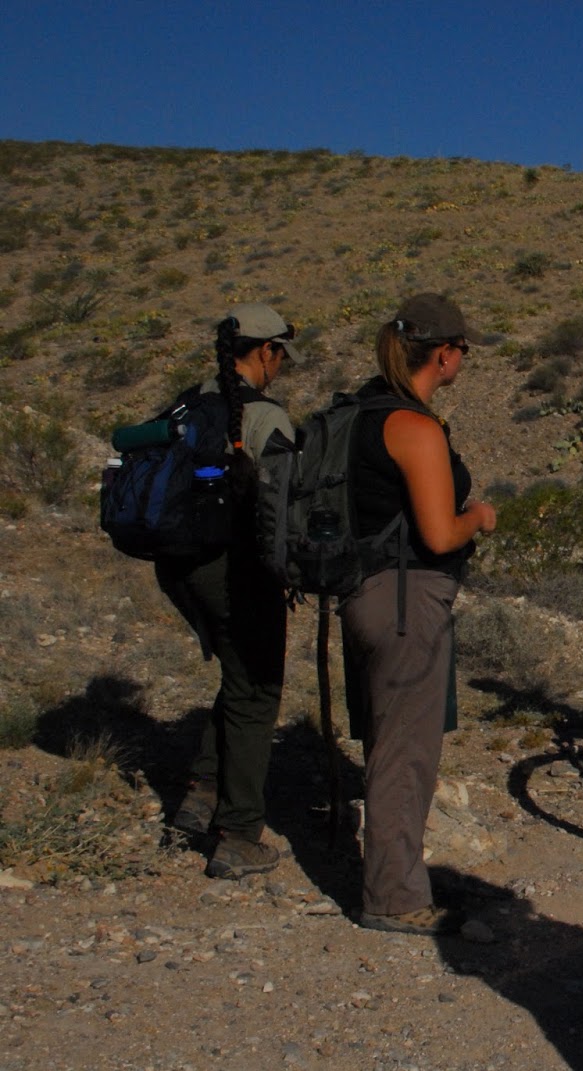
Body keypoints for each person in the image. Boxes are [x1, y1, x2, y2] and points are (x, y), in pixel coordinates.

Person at [340, 294, 496, 936]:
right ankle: (396, 897)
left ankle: (390, 875)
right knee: (405, 753)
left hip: (360, 594)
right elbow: (438, 534)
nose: (463, 359)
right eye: (462, 349)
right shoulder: (414, 426)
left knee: (387, 741)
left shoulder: (359, 412)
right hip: (407, 603)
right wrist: (478, 517)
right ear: (444, 354)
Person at [164, 303, 299, 880]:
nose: (282, 364)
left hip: (178, 567)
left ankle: (202, 790)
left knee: (238, 674)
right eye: (281, 354)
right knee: (257, 691)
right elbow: (285, 506)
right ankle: (238, 835)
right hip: (232, 570)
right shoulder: (264, 417)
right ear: (265, 351)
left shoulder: (190, 403)